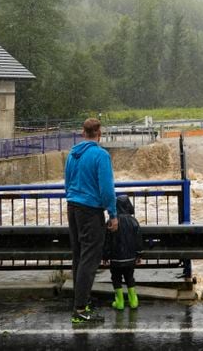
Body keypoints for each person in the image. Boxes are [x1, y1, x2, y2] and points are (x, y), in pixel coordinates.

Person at [65, 118, 118, 324]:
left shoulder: (73, 154)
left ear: (82, 132)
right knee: (90, 259)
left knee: (79, 256)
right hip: (90, 210)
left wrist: (73, 199)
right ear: (99, 133)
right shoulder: (101, 155)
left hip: (73, 207)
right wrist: (112, 214)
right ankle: (79, 309)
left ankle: (81, 303)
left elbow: (67, 183)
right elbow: (106, 189)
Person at [104, 194, 143, 310]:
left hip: (115, 259)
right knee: (129, 277)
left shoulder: (111, 222)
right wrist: (139, 254)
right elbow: (138, 240)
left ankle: (119, 302)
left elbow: (106, 241)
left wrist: (105, 256)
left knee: (116, 278)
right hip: (130, 258)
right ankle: (133, 300)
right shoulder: (133, 221)